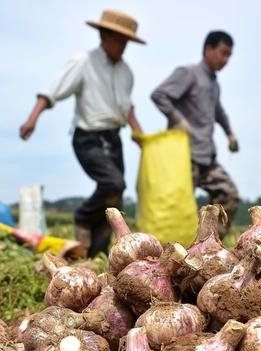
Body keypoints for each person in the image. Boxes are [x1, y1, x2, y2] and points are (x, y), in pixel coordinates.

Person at [19, 10, 145, 257]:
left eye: (126, 41)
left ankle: (95, 256)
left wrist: (138, 132)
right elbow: (52, 90)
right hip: (88, 137)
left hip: (113, 138)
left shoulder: (126, 72)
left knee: (115, 198)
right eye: (119, 39)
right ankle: (82, 215)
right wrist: (32, 119)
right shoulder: (84, 62)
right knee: (113, 183)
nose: (123, 46)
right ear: (103, 35)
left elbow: (127, 106)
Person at [151, 30, 239, 238]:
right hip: (184, 156)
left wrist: (230, 134)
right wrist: (178, 120)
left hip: (206, 155)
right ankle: (169, 254)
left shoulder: (214, 83)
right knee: (177, 209)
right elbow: (160, 95)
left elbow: (219, 112)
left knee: (229, 196)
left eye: (229, 55)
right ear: (209, 49)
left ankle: (209, 246)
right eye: (223, 53)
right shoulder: (188, 73)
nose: (225, 59)